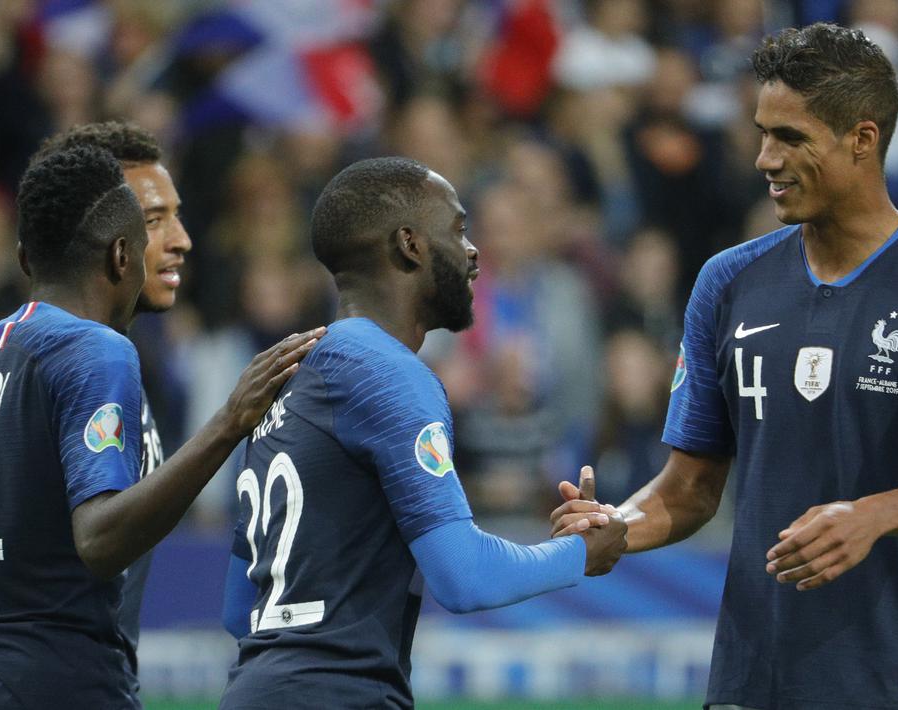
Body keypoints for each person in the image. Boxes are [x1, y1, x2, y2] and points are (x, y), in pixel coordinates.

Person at [552, 23, 898, 709]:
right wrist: (619, 524)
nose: (765, 158)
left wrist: (870, 515)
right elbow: (689, 486)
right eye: (762, 133)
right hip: (748, 680)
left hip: (894, 678)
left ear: (862, 139)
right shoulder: (726, 282)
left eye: (790, 137)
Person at [0, 145, 321, 709]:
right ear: (123, 255)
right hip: (45, 684)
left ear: (24, 258)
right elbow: (98, 540)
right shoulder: (97, 351)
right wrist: (229, 422)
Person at [218, 157, 628, 709]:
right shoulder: (391, 374)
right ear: (410, 245)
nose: (474, 252)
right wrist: (580, 553)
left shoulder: (289, 380)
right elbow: (463, 576)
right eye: (458, 230)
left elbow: (238, 609)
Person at [30, 120, 190, 673]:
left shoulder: (123, 364)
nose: (180, 240)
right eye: (153, 220)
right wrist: (227, 426)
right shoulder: (67, 367)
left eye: (176, 215)